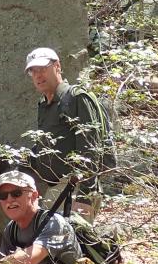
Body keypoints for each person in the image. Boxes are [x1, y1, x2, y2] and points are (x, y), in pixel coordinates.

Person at [24, 47, 106, 219]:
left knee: (71, 241)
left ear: (57, 66)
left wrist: (84, 197)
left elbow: (90, 150)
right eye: (33, 71)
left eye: (43, 69)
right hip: (56, 189)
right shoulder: (45, 105)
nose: (38, 75)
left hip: (75, 189)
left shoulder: (76, 97)